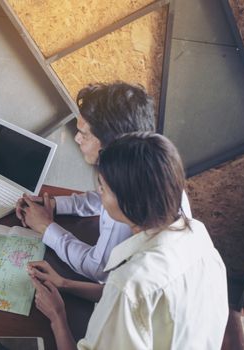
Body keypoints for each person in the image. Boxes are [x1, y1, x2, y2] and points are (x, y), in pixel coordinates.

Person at [28, 132, 228, 349]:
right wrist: (65, 284)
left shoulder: (129, 283)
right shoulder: (197, 234)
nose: (98, 191)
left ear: (128, 202)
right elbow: (136, 302)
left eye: (103, 187)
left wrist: (57, 316)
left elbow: (128, 295)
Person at [17, 82, 191, 282]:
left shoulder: (129, 205)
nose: (76, 138)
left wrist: (46, 227)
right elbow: (101, 198)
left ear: (112, 143)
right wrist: (56, 205)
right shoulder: (148, 172)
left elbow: (99, 269)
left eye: (84, 134)